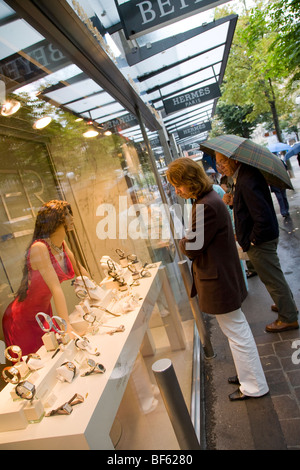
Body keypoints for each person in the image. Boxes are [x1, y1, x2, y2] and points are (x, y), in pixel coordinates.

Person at [167, 158, 269, 401]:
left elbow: (191, 247)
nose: (176, 190)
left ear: (190, 181)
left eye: (178, 184)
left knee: (237, 332)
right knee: (236, 330)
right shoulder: (208, 199)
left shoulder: (205, 205)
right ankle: (248, 375)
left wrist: (183, 240)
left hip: (218, 278)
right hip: (222, 275)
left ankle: (254, 385)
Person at [215, 153, 299, 333]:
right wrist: (232, 200)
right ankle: (286, 304)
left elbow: (261, 215)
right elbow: (247, 206)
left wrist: (252, 240)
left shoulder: (246, 179)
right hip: (262, 238)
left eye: (223, 161)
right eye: (218, 163)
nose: (221, 167)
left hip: (261, 241)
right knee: (273, 276)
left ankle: (288, 317)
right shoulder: (243, 176)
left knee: (272, 279)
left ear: (235, 159)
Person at [2, 200, 90, 355]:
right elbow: (55, 288)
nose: (72, 217)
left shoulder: (61, 244)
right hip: (23, 319)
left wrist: (95, 292)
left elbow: (80, 271)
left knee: (54, 355)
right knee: (35, 364)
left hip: (43, 315)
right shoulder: (40, 248)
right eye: (67, 214)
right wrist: (67, 326)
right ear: (56, 219)